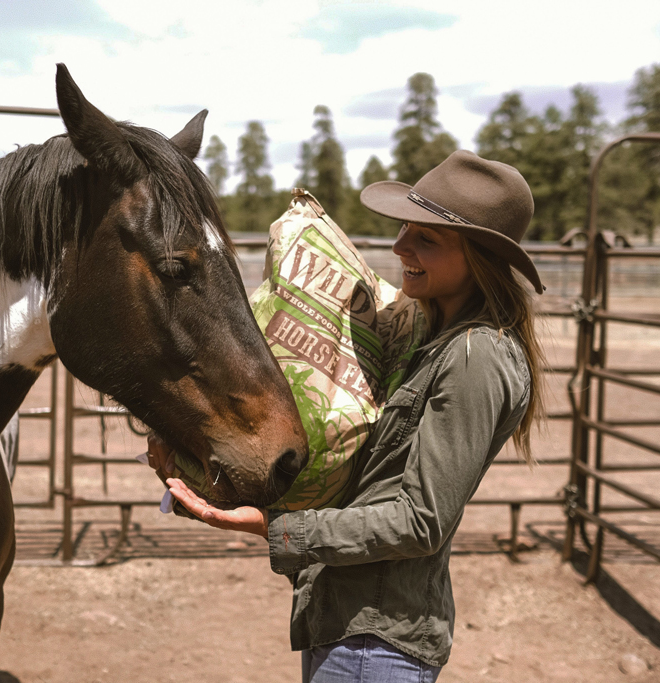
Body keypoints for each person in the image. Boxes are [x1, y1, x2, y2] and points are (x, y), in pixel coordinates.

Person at [150, 150, 545, 682]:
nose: (401, 245)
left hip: (376, 640)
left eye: (426, 238)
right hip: (350, 621)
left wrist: (277, 529)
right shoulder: (425, 341)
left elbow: (420, 521)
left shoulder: (477, 357)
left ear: (479, 259)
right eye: (405, 228)